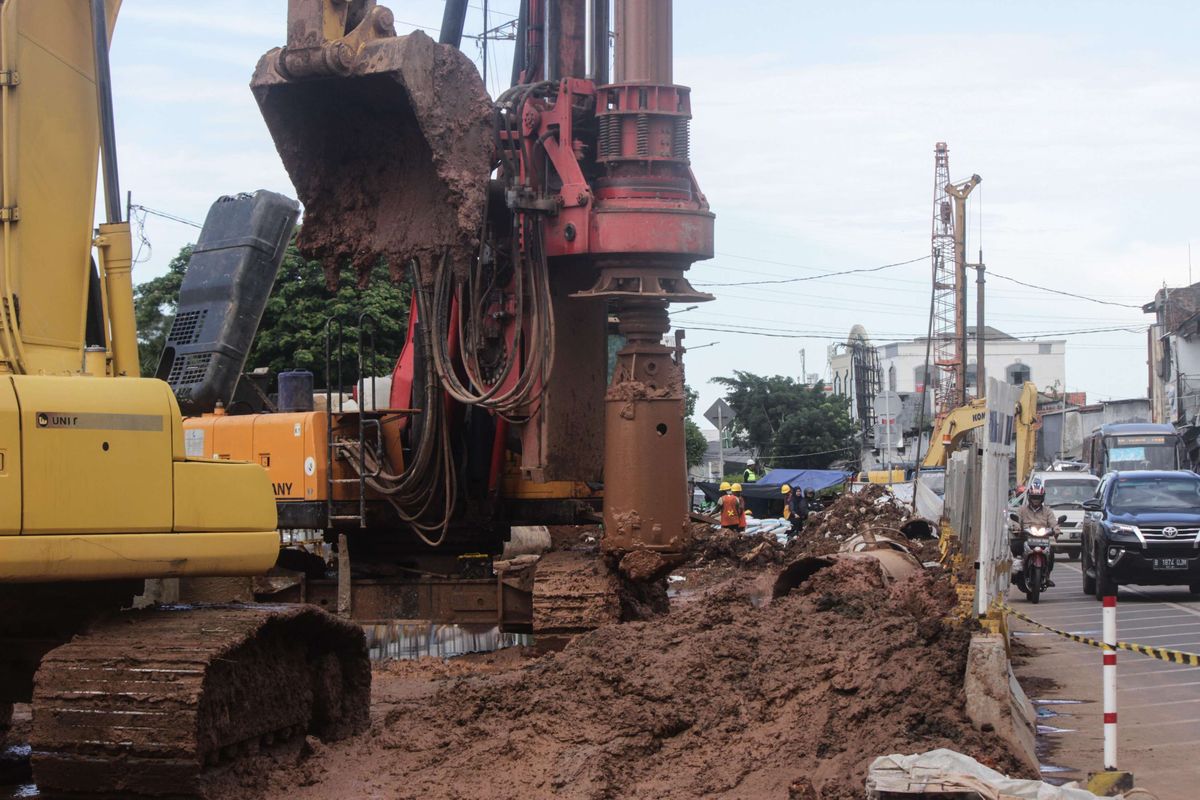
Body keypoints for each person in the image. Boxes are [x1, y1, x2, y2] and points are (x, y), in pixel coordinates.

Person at [1016, 479, 1061, 587]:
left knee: (1051, 554)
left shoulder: (1047, 511)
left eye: (1038, 497)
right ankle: (1016, 573)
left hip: (1043, 539)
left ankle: (1047, 576)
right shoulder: (1022, 510)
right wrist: (1016, 526)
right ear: (1029, 497)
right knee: (1015, 549)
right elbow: (1015, 520)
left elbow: (1053, 523)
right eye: (1034, 497)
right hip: (1026, 537)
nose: (1036, 500)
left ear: (1042, 497)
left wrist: (1056, 529)